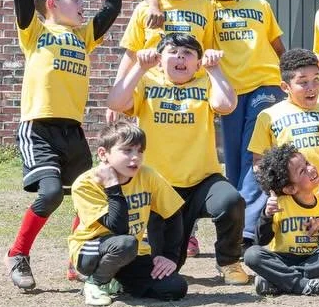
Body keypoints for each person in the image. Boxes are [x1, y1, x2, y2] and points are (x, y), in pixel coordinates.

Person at [7, 0, 122, 290]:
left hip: (72, 131)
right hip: (38, 128)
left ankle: (78, 258)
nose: (82, 4)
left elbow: (111, 10)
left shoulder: (84, 36)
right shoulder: (35, 31)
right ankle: (18, 254)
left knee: (88, 197)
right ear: (53, 4)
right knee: (52, 193)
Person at [105, 33, 246, 283]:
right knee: (169, 265)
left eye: (189, 53)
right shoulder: (147, 81)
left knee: (231, 201)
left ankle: (229, 261)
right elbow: (116, 102)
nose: (181, 57)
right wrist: (139, 66)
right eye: (173, 52)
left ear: (198, 62)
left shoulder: (205, 80)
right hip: (162, 188)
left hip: (203, 181)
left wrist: (214, 70)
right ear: (160, 60)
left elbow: (226, 106)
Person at [196, 0, 286, 246]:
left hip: (266, 84)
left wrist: (292, 77)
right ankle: (235, 218)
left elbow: (278, 47)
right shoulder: (207, 11)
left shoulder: (261, 6)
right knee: (233, 160)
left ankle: (245, 230)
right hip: (230, 91)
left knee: (253, 152)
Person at [68, 121, 188, 304]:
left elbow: (173, 214)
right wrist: (112, 186)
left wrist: (169, 256)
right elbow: (118, 227)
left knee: (175, 286)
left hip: (131, 251)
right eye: (127, 151)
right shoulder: (85, 184)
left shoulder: (148, 176)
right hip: (90, 251)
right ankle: (95, 282)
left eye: (140, 151)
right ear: (103, 154)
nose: (135, 158)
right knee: (125, 243)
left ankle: (117, 281)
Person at [247, 48, 319, 238]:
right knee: (294, 243)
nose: (312, 87)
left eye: (316, 79)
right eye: (303, 82)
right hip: (294, 196)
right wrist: (275, 192)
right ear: (285, 87)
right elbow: (259, 162)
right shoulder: (268, 116)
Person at [243, 143, 319, 297]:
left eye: (307, 163)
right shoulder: (279, 203)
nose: (310, 169)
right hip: (283, 260)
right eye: (302, 171)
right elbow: (261, 240)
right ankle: (304, 285)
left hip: (313, 260)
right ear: (291, 189)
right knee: (252, 254)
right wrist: (267, 215)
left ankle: (279, 282)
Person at [116, 0, 217, 89]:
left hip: (194, 88)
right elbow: (131, 53)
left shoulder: (204, 4)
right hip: (152, 88)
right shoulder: (145, 8)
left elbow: (207, 49)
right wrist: (118, 88)